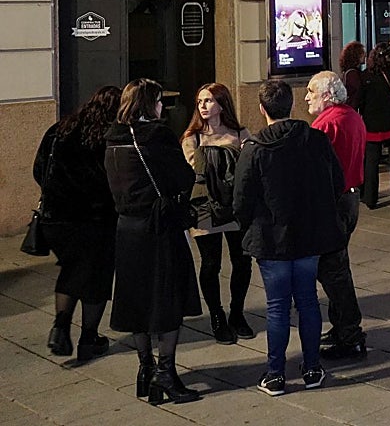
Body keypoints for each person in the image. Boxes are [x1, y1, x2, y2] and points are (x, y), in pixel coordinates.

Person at [234, 79, 344, 396]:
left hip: (272, 240)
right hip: (309, 236)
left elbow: (241, 199)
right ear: (291, 105)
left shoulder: (254, 149)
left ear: (261, 109)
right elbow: (336, 182)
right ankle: (312, 368)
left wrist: (250, 225)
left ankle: (275, 374)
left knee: (278, 307)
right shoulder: (316, 140)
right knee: (308, 301)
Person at [104, 78, 202, 405]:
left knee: (137, 299)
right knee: (167, 298)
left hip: (127, 227)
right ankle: (166, 371)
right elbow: (183, 176)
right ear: (150, 103)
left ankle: (144, 368)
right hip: (159, 228)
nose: (162, 106)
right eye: (159, 100)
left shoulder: (112, 137)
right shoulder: (157, 136)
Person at [34, 85, 121, 362]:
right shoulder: (109, 137)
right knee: (96, 278)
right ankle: (89, 338)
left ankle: (60, 325)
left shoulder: (59, 130)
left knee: (71, 270)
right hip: (95, 221)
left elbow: (39, 170)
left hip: (56, 220)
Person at [182, 83, 253, 345]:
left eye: (209, 100)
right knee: (211, 264)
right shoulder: (192, 138)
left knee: (242, 261)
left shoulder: (239, 133)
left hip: (234, 205)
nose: (203, 105)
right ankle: (216, 316)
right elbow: (192, 175)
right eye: (200, 100)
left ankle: (237, 312)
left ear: (222, 104)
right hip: (204, 207)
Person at [306, 71, 368, 360]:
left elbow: (315, 167)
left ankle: (350, 334)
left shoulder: (327, 124)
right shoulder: (351, 116)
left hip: (334, 202)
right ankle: (342, 325)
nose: (306, 97)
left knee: (333, 272)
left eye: (311, 92)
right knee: (337, 266)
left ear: (327, 96)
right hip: (350, 197)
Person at [357, 43, 390, 209]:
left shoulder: (365, 76)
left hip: (371, 125)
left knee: (371, 163)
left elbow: (360, 102)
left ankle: (370, 198)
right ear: (389, 56)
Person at [339, 41, 366, 109]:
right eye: (362, 53)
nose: (365, 55)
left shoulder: (348, 72)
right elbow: (357, 93)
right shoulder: (353, 74)